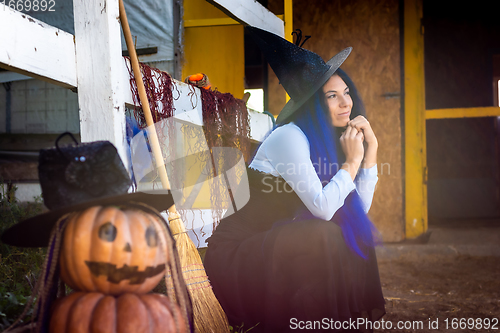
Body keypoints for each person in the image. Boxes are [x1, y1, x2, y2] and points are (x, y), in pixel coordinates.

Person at [204, 27, 385, 332]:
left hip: (276, 250)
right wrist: (352, 162)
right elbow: (324, 209)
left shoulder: (328, 139)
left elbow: (356, 211)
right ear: (314, 104)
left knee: (352, 233)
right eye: (332, 96)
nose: (345, 103)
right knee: (323, 235)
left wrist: (370, 156)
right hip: (238, 258)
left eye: (346, 93)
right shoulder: (289, 137)